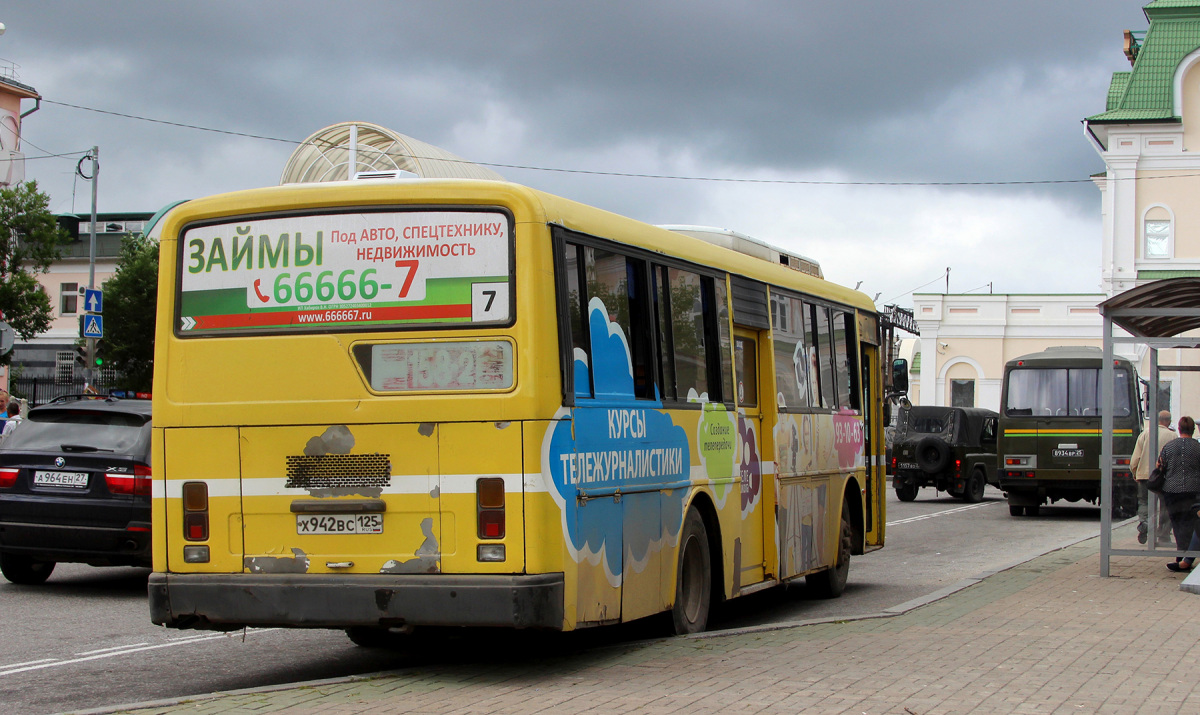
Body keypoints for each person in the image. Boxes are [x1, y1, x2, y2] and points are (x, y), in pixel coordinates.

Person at [1154, 416, 1200, 572]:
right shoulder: (1198, 447)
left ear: (1179, 429)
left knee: (1177, 524)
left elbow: (1160, 466)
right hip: (1193, 490)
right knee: (1192, 523)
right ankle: (1187, 557)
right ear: (1193, 430)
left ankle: (1182, 557)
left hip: (1172, 490)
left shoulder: (1169, 446)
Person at [1130, 410, 1176, 544]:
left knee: (1144, 502)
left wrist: (1135, 473)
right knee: (1165, 505)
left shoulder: (1145, 434)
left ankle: (1144, 523)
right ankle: (1163, 535)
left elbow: (1135, 458)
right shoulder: (1173, 436)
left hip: (1145, 475)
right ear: (1168, 421)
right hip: (1164, 477)